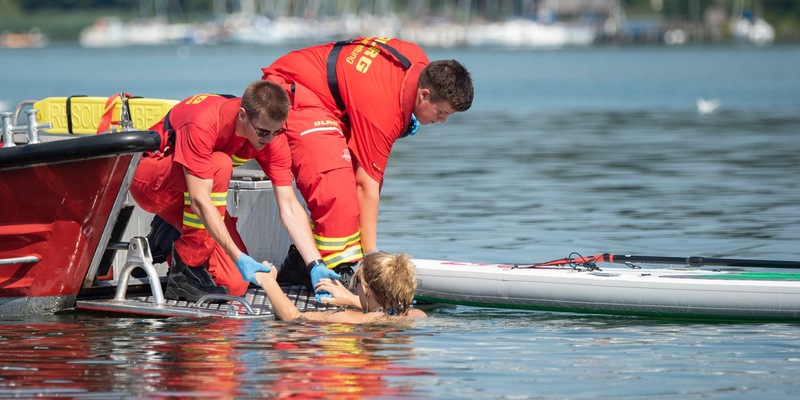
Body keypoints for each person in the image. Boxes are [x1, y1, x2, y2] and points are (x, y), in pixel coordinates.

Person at [260, 36, 474, 292]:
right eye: (442, 113)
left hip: (333, 100)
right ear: (424, 95)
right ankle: (321, 274)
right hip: (292, 93)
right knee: (338, 194)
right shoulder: (383, 108)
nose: (441, 121)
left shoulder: (418, 63)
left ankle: (304, 262)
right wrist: (371, 258)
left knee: (349, 190)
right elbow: (367, 185)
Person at [129, 80, 327, 302]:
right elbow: (200, 201)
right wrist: (239, 256)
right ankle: (185, 272)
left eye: (277, 131)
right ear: (242, 115)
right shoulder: (203, 122)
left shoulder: (271, 138)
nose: (270, 139)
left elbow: (289, 206)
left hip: (193, 190)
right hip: (150, 181)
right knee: (220, 164)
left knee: (235, 284)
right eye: (263, 132)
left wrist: (315, 265)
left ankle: (166, 237)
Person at [255, 252, 427, 322]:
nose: (355, 285)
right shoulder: (417, 315)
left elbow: (293, 317)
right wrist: (352, 299)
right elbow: (383, 312)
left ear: (366, 290)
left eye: (357, 281)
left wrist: (268, 281)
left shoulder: (346, 318)